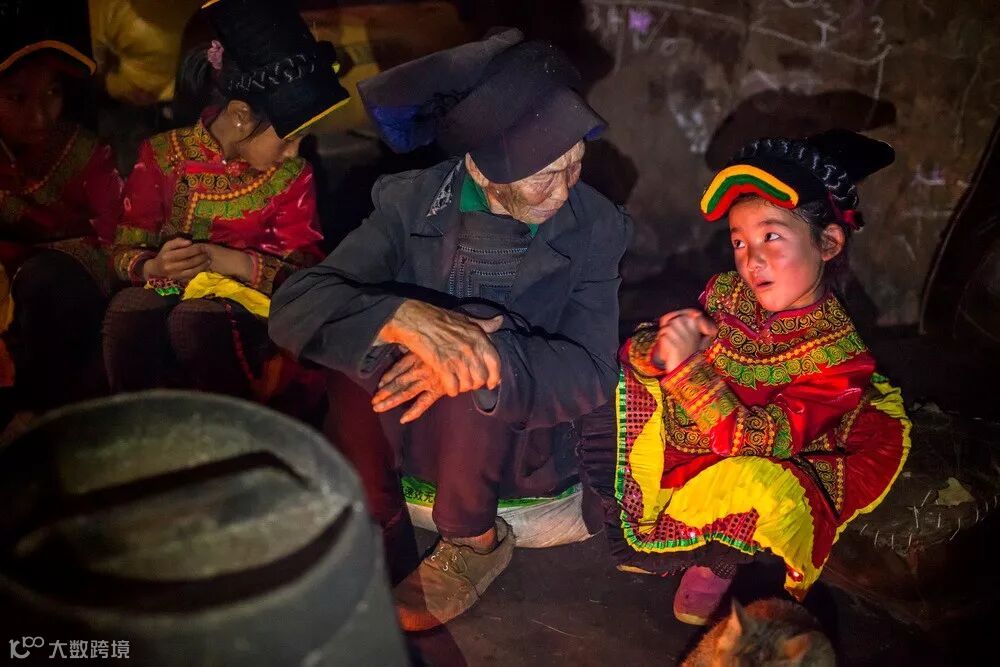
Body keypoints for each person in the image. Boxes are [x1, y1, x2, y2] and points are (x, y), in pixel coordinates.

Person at [269, 29, 630, 631]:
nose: (565, 189)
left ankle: (474, 541)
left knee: (470, 362)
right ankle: (371, 518)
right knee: (357, 341)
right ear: (482, 172)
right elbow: (296, 307)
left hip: (520, 442)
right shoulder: (412, 204)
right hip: (409, 429)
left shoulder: (595, 225)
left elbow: (593, 370)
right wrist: (402, 318)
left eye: (575, 164)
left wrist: (491, 355)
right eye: (545, 175)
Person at [585, 130, 910, 625]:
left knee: (760, 484)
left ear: (827, 242)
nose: (751, 259)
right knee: (622, 377)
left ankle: (719, 558)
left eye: (771, 236)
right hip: (705, 432)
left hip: (768, 447)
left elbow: (757, 442)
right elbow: (649, 354)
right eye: (739, 241)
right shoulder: (727, 293)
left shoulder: (839, 360)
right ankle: (668, 522)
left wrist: (688, 369)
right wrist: (669, 343)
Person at [103, 0, 349, 401]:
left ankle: (232, 426)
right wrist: (153, 265)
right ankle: (143, 427)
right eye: (288, 138)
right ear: (239, 115)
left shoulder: (292, 176)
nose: (293, 153)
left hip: (250, 310)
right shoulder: (162, 155)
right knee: (129, 311)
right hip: (170, 292)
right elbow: (121, 251)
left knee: (196, 321)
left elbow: (306, 273)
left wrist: (229, 262)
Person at [0, 0, 123, 411]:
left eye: (52, 93)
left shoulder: (86, 153)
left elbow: (119, 234)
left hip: (66, 290)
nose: (40, 116)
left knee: (45, 281)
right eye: (17, 97)